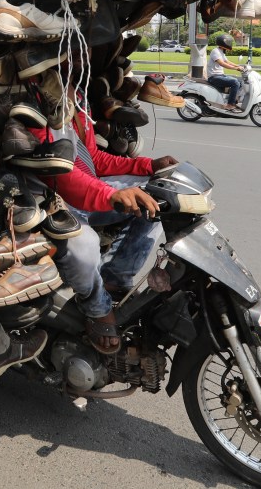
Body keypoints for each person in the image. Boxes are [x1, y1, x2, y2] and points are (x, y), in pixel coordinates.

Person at [30, 93, 177, 355]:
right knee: (84, 246)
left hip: (88, 189)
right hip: (51, 196)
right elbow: (57, 172)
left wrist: (147, 165)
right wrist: (110, 196)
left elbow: (93, 160)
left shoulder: (75, 98)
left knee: (158, 198)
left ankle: (113, 280)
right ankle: (97, 309)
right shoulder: (32, 101)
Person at [206, 33, 247, 112]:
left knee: (240, 82)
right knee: (235, 82)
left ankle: (233, 102)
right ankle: (229, 105)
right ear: (223, 43)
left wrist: (239, 66)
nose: (229, 44)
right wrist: (236, 68)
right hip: (214, 77)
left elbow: (227, 61)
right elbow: (222, 63)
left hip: (220, 76)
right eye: (228, 42)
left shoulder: (221, 51)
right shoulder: (215, 51)